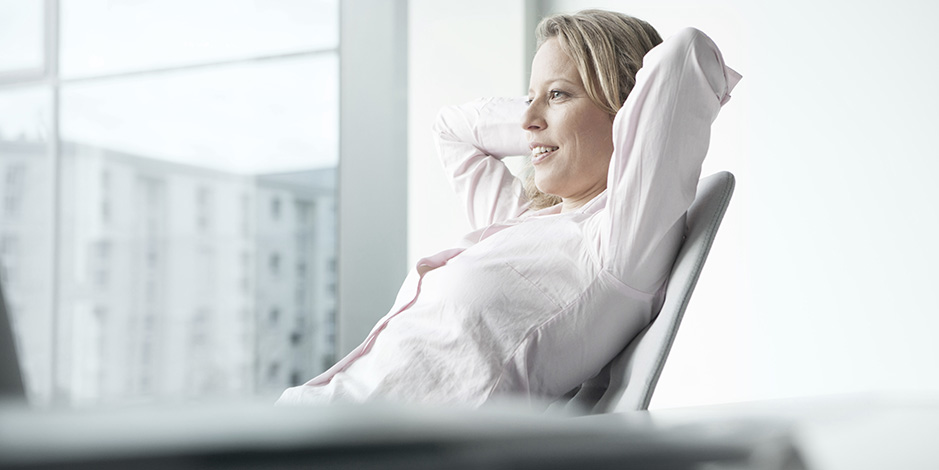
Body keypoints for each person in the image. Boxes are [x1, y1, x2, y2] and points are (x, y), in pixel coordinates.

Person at [277, 10, 741, 408]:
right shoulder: (524, 222)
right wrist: (546, 122)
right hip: (306, 419)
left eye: (558, 94)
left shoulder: (615, 247)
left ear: (627, 110)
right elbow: (453, 131)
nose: (527, 117)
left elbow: (686, 54)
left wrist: (583, 125)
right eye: (528, 96)